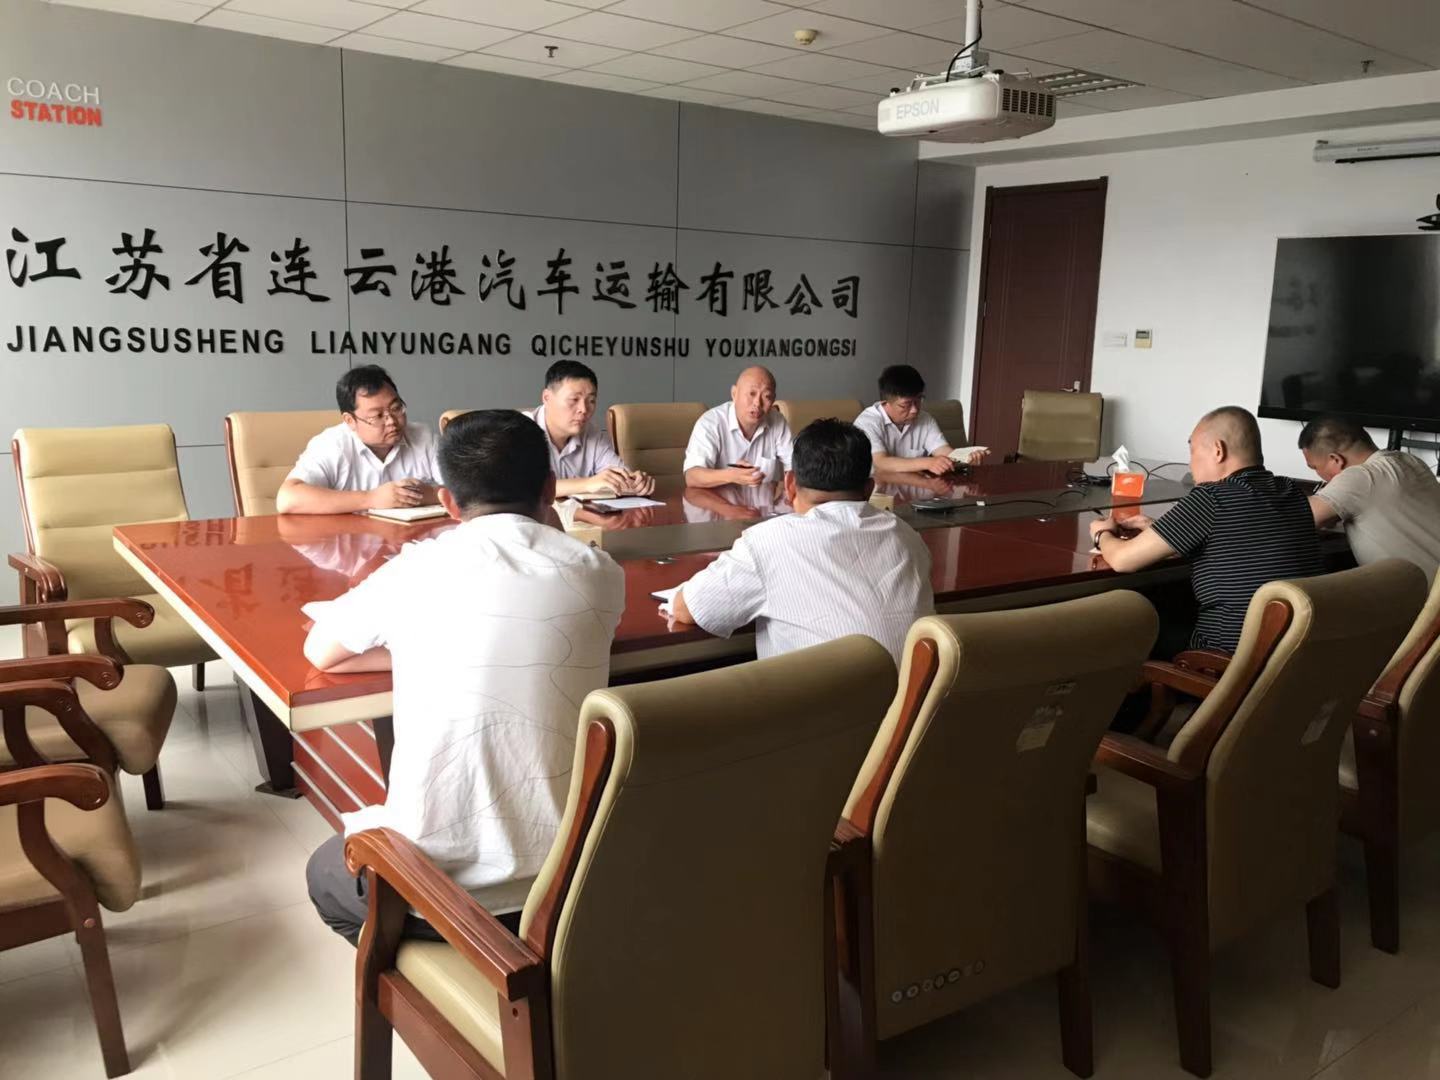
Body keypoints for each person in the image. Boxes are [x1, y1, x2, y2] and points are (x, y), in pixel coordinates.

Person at [303, 410, 625, 944]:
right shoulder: (601, 574)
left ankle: (443, 976)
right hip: (573, 884)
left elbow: (321, 652)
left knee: (323, 872)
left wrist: (418, 641)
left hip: (442, 896)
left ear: (448, 503)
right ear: (550, 489)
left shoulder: (416, 570)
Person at [671, 418, 933, 666]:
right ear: (869, 489)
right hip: (920, 697)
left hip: (824, 700)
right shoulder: (907, 535)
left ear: (790, 484)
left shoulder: (769, 541)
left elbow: (688, 610)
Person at [1088, 406, 1322, 656]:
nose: (1191, 464)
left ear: (1218, 450)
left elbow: (1123, 560)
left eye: (1193, 452)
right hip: (1296, 653)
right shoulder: (1290, 491)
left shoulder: (1211, 497)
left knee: (1125, 627)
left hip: (1223, 657)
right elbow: (1239, 545)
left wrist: (1102, 534)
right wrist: (1162, 531)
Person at [278, 365, 442, 515]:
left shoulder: (423, 437)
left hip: (413, 535)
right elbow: (288, 498)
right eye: (377, 416)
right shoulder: (332, 444)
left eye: (396, 408)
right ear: (350, 420)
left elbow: (458, 487)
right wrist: (371, 498)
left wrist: (431, 495)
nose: (391, 421)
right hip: (350, 535)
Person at [1299, 415, 1440, 582]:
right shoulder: (1408, 460)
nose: (1317, 474)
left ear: (1336, 459)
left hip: (1420, 596)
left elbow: (1294, 519)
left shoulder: (1360, 477)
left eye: (1315, 467)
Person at [531, 360, 655, 498]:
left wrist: (636, 482)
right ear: (547, 398)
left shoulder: (592, 433)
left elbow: (619, 478)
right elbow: (524, 487)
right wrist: (588, 483)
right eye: (574, 399)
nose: (584, 409)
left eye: (591, 401)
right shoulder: (520, 431)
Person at [854, 364, 988, 474]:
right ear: (886, 402)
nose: (914, 410)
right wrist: (928, 463)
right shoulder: (868, 422)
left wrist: (965, 457)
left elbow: (944, 452)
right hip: (878, 490)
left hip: (918, 487)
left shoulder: (925, 419)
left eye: (918, 400)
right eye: (905, 405)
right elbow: (881, 462)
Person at [683, 366, 793, 489]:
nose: (757, 403)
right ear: (734, 394)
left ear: (773, 400)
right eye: (752, 394)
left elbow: (794, 468)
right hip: (717, 500)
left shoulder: (777, 421)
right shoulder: (711, 423)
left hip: (766, 501)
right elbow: (692, 477)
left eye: (767, 396)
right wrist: (730, 475)